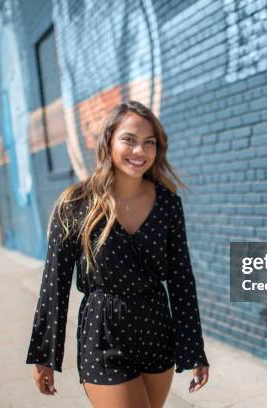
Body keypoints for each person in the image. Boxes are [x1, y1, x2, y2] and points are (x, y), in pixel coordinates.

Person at [26, 100, 210, 407]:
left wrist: (193, 350)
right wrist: (45, 355)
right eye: (129, 140)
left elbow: (181, 280)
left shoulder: (168, 203)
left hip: (156, 329)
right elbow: (54, 284)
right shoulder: (76, 204)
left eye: (148, 143)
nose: (140, 151)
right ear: (109, 140)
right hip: (102, 332)